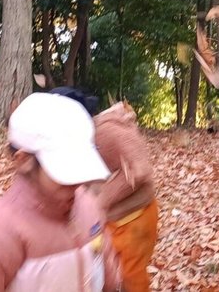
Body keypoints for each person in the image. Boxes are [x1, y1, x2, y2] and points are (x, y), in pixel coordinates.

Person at [0, 93, 119, 291]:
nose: (77, 183)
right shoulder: (4, 229)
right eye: (66, 173)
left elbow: (106, 264)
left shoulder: (88, 207)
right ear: (23, 161)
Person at [50, 86, 159, 292]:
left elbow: (141, 170)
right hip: (109, 218)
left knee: (131, 274)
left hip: (135, 215)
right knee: (105, 266)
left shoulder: (108, 131)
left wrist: (101, 200)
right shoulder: (76, 140)